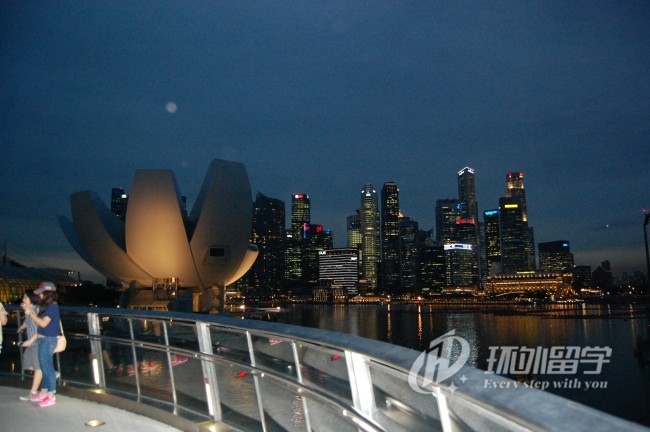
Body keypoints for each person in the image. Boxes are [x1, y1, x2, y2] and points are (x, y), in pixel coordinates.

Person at [24, 281, 61, 408]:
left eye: (41, 293)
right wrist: (32, 313)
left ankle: (50, 396)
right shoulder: (48, 306)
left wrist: (31, 313)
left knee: (47, 368)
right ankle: (44, 393)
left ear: (48, 293)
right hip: (44, 340)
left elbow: (43, 323)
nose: (39, 295)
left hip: (48, 340)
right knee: (44, 367)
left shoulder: (52, 307)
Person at [17, 289, 43, 401]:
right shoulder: (29, 310)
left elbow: (41, 326)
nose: (23, 300)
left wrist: (30, 312)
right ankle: (49, 371)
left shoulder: (37, 309)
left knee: (37, 367)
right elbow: (28, 322)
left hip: (38, 341)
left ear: (32, 299)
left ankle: (33, 392)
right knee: (27, 364)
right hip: (31, 342)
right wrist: (22, 327)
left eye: (25, 298)